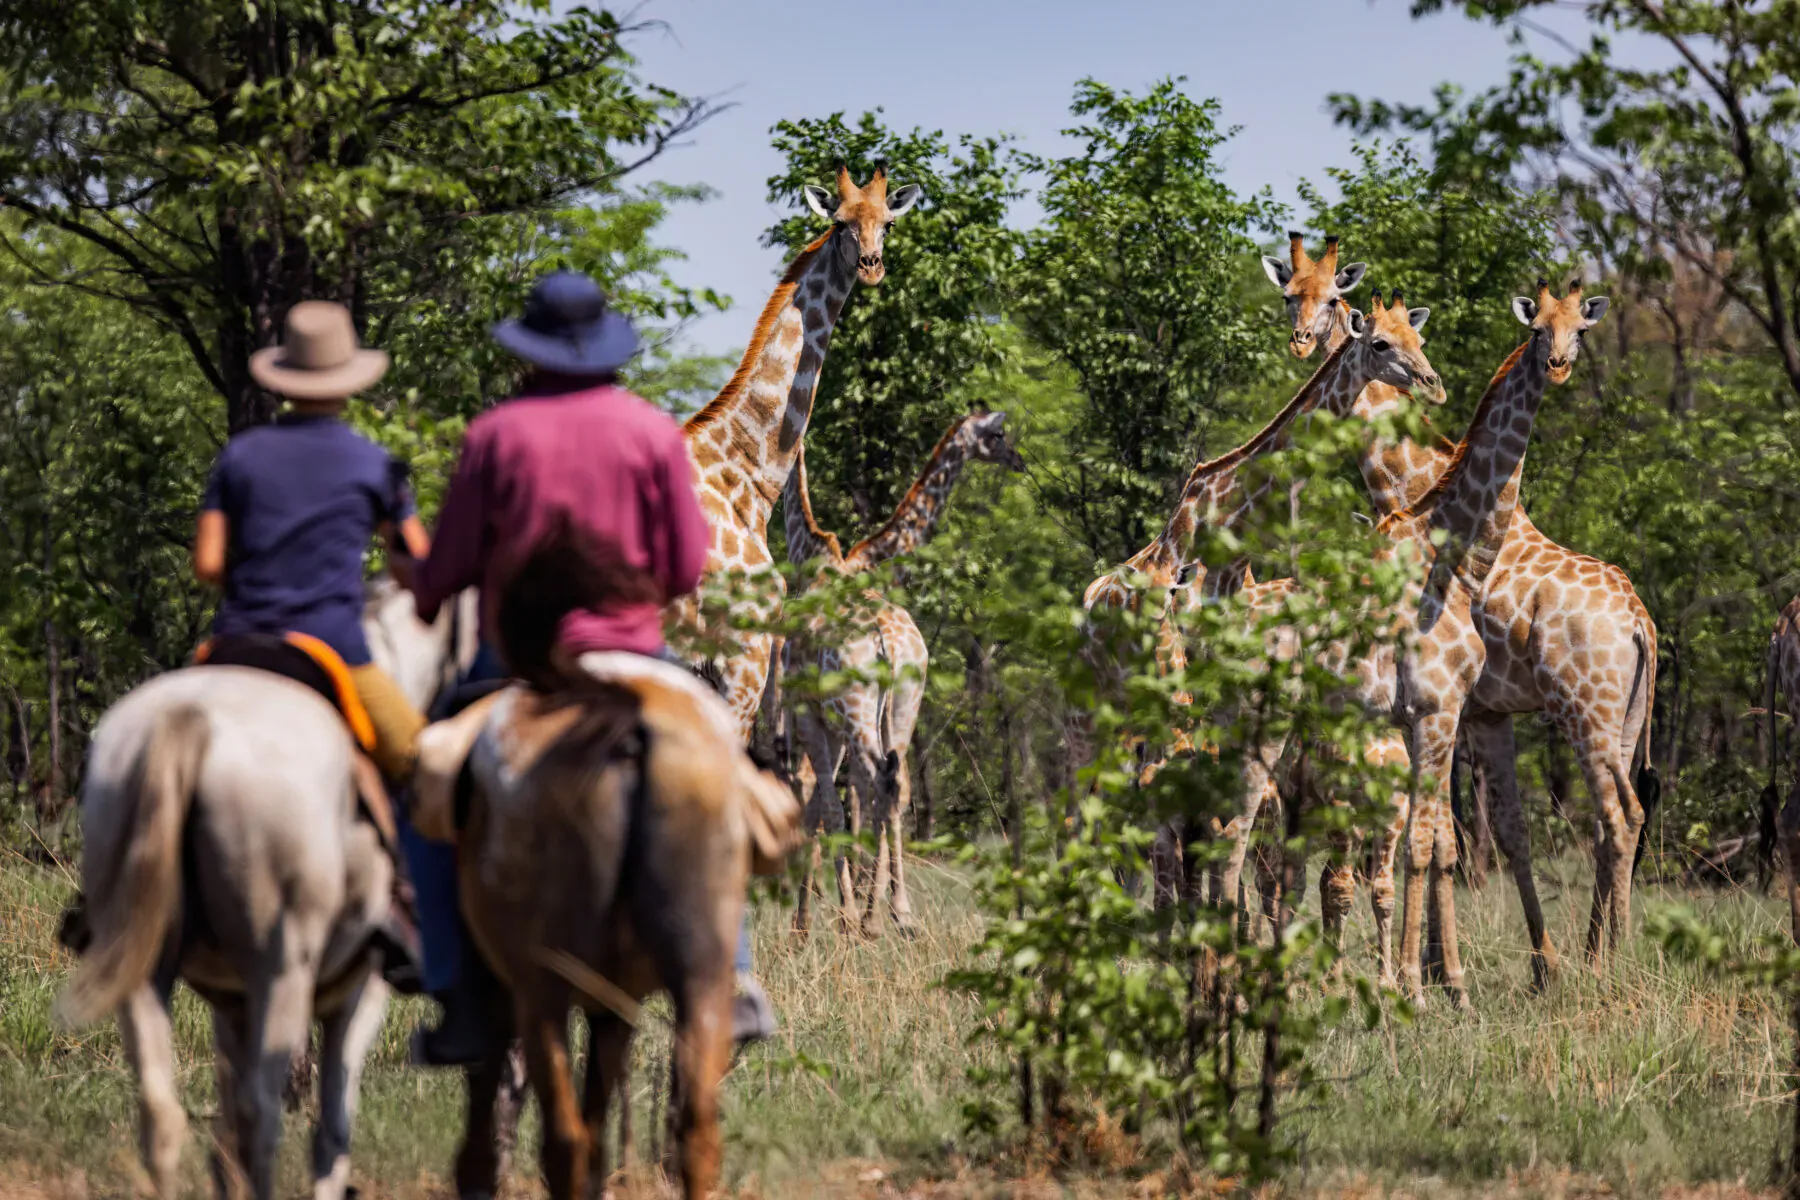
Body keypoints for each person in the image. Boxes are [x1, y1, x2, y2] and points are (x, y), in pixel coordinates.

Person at [401, 270, 777, 1066]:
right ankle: (735, 979)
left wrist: (424, 584)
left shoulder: (494, 436)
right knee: (726, 772)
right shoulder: (653, 433)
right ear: (608, 348)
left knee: (429, 785)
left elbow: (444, 576)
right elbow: (683, 569)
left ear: (529, 352)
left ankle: (455, 992)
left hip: (519, 667)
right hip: (641, 659)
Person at [197, 300, 428, 987]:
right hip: (333, 653)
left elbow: (208, 564)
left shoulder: (240, 456)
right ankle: (404, 907)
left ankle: (107, 898)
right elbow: (415, 563)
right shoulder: (374, 464)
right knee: (421, 762)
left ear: (282, 380)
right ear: (349, 380)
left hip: (233, 647)